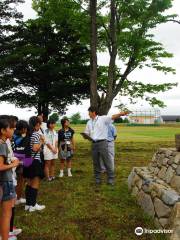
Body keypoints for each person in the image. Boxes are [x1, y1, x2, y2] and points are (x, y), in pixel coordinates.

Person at [84, 106, 129, 185]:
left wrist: (121, 114)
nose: (88, 114)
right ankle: (97, 179)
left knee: (106, 161)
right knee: (96, 162)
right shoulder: (89, 122)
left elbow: (113, 117)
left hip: (102, 143)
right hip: (93, 143)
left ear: (93, 112)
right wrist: (86, 136)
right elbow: (87, 132)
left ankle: (111, 179)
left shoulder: (102, 119)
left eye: (89, 112)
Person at [0, 117, 20, 240]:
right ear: (3, 130)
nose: (13, 130)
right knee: (7, 214)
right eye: (11, 128)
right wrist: (14, 164)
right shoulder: (2, 145)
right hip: (5, 181)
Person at [23, 116, 45, 212]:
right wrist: (41, 141)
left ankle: (28, 204)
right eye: (40, 123)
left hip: (27, 160)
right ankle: (33, 205)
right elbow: (35, 148)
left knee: (28, 182)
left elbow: (31, 148)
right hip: (35, 161)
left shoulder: (27, 134)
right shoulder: (36, 134)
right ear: (37, 124)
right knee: (35, 182)